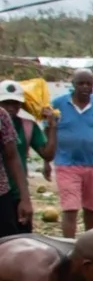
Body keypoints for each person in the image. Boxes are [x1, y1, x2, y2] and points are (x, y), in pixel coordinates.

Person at [51, 69, 93, 238]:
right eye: (80, 83)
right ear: (73, 85)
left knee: (91, 208)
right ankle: (68, 247)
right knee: (70, 208)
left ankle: (90, 246)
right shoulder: (58, 104)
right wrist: (46, 161)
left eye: (88, 83)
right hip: (66, 163)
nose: (84, 87)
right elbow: (49, 131)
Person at [0, 81, 57, 234]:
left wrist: (51, 127)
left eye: (16, 103)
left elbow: (47, 154)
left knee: (16, 240)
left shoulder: (25, 126)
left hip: (12, 192)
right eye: (7, 103)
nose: (11, 107)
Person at [0, 97, 33, 238]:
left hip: (1, 195)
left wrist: (24, 198)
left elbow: (12, 156)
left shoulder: (1, 116)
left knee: (6, 247)